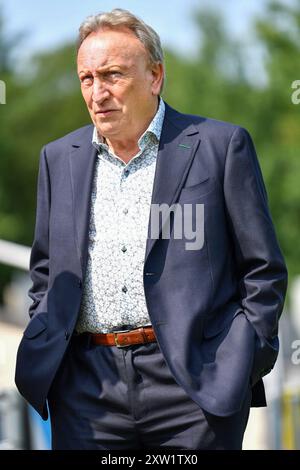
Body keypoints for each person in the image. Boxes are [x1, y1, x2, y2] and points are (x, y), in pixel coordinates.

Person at [15, 8, 288, 450]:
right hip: (86, 390)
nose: (97, 92)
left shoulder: (220, 146)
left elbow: (262, 270)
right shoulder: (57, 157)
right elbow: (46, 271)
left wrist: (244, 357)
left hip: (193, 388)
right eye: (87, 78)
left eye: (113, 75)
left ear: (155, 76)